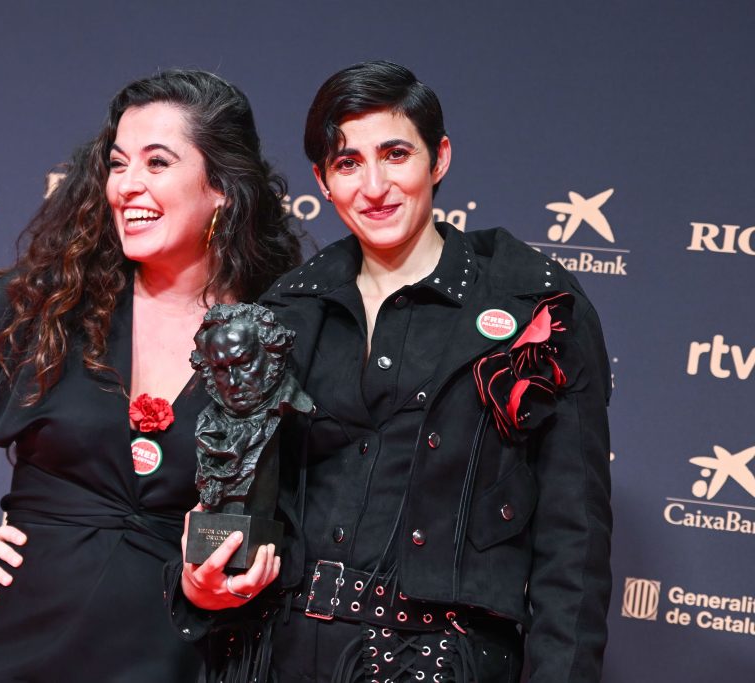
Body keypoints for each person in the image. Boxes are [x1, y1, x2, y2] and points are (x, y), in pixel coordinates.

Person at [172, 61, 612, 682]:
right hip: (281, 654)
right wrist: (202, 580)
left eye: (395, 154)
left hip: (443, 663)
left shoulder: (532, 305)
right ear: (324, 181)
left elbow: (575, 543)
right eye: (348, 163)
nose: (374, 186)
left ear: (439, 159)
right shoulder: (288, 308)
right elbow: (228, 494)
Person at [0, 69, 302, 682]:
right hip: (8, 648)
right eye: (118, 164)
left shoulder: (270, 335)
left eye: (157, 163)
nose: (127, 185)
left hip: (165, 656)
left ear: (222, 188)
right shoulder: (55, 303)